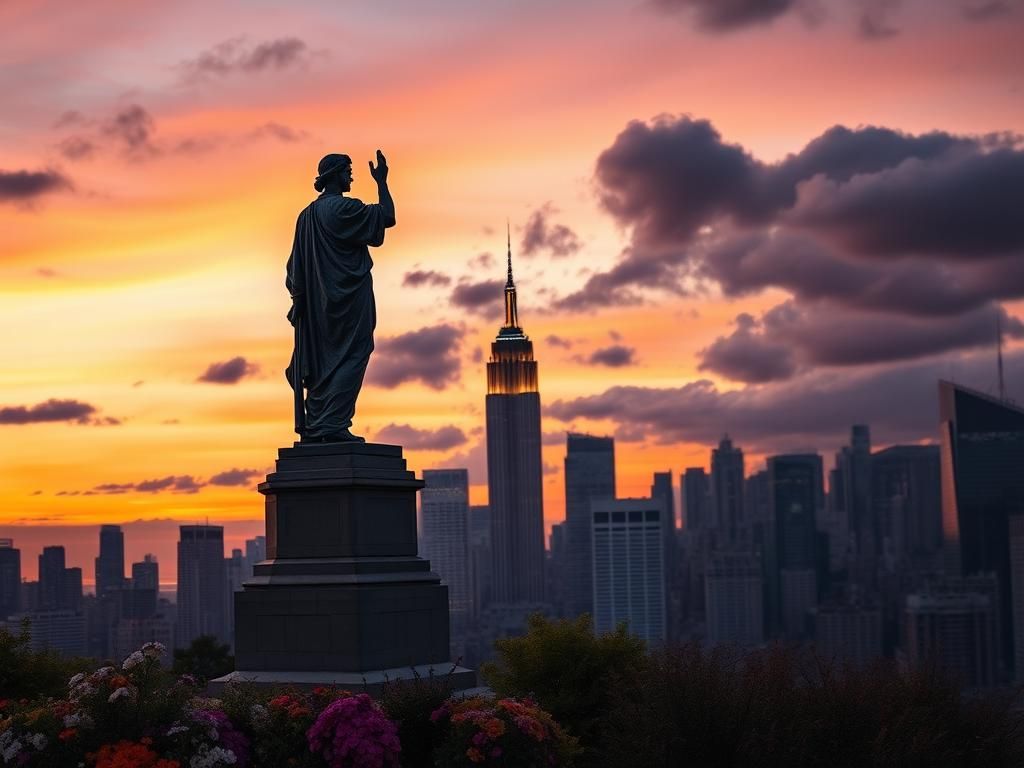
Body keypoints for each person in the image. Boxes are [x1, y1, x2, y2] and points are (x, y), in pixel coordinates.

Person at [286, 150, 396, 442]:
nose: (352, 175)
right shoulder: (345, 209)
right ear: (334, 174)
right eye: (348, 170)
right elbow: (387, 216)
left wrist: (300, 300)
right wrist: (382, 182)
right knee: (354, 352)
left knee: (324, 363)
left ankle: (321, 423)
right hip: (350, 300)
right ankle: (332, 425)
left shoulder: (306, 217)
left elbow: (293, 268)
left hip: (317, 307)